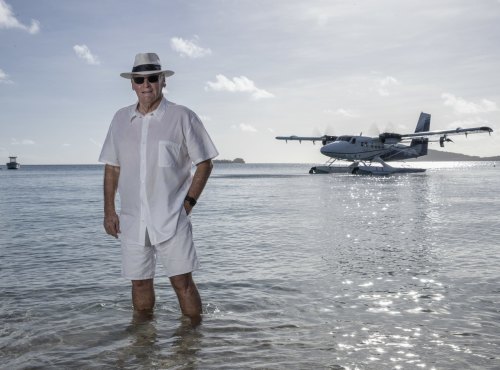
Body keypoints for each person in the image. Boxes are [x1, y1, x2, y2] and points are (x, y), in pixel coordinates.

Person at [99, 52, 218, 326]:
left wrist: (187, 204)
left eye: (152, 78)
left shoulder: (182, 116)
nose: (146, 84)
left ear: (162, 81)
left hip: (171, 216)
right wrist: (109, 211)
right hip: (131, 218)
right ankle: (143, 344)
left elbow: (205, 163)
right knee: (139, 283)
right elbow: (112, 168)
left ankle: (192, 345)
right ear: (132, 84)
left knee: (182, 282)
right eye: (139, 79)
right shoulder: (119, 119)